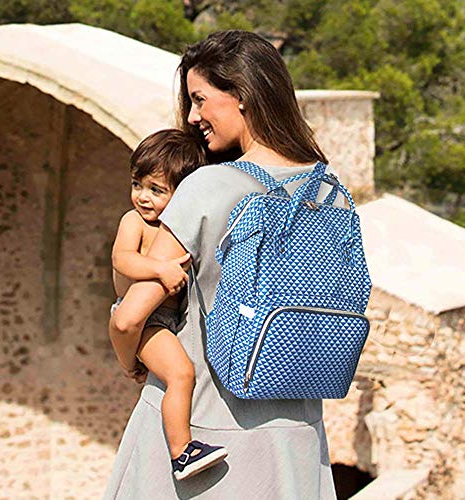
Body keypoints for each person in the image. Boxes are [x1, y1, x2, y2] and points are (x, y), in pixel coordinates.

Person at [105, 30, 343, 499]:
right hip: (294, 440)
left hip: (203, 436)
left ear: (243, 94)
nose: (193, 117)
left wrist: (129, 359)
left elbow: (130, 317)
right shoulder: (328, 189)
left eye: (199, 99)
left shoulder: (207, 187)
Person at [110, 128, 228, 480]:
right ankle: (182, 452)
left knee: (183, 374)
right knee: (181, 374)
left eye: (156, 190)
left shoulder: (175, 226)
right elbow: (122, 259)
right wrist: (159, 268)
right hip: (149, 320)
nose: (142, 197)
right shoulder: (134, 222)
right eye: (137, 185)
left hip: (167, 319)